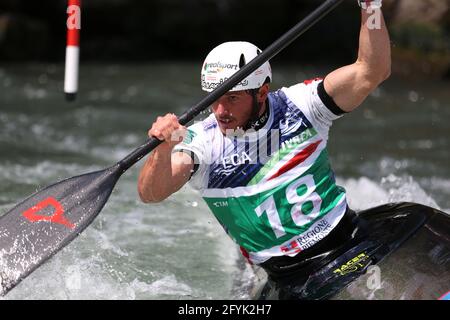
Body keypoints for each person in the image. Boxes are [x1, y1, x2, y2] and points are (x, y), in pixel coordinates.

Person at [137, 0, 391, 299]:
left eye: (232, 99)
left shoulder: (303, 104)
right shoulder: (201, 140)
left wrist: (371, 6)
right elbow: (151, 194)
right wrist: (163, 149)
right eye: (213, 98)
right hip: (289, 278)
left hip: (349, 242)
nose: (220, 111)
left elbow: (370, 71)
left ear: (262, 92)